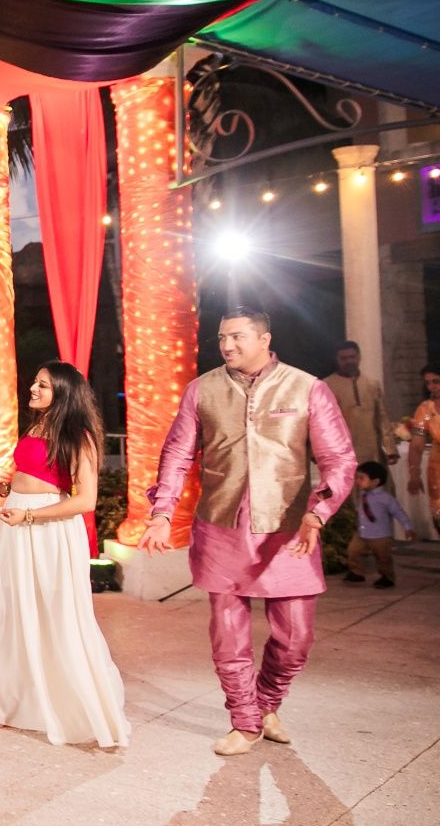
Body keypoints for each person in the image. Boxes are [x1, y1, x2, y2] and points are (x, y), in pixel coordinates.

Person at [144, 307, 355, 757]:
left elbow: (339, 460)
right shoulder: (202, 390)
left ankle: (266, 703)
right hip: (221, 528)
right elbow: (177, 455)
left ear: (265, 339)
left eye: (237, 337)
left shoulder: (307, 388)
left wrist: (317, 513)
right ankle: (244, 720)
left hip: (289, 531)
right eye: (222, 337)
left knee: (296, 637)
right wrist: (162, 512)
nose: (227, 346)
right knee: (228, 633)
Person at [0, 362, 129, 748]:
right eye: (35, 382)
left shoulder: (79, 437)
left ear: (62, 392)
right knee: (6, 609)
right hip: (15, 527)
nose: (33, 388)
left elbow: (84, 500)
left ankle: (59, 704)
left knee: (51, 614)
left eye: (43, 385)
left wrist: (29, 514)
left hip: (48, 532)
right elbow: (31, 475)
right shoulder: (36, 427)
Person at [323, 341, 396, 468]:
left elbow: (382, 418)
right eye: (344, 358)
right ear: (337, 360)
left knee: (377, 485)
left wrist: (390, 449)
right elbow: (321, 423)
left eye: (352, 357)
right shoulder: (326, 386)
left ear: (359, 357)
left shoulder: (372, 384)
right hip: (342, 454)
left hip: (373, 452)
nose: (349, 361)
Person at [345, 461, 408, 590]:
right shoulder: (362, 495)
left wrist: (407, 527)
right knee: (353, 551)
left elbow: (398, 512)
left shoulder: (386, 498)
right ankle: (357, 573)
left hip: (381, 535)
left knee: (383, 557)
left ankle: (387, 577)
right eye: (357, 478)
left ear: (375, 481)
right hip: (362, 533)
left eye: (361, 478)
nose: (357, 481)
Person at [408, 363, 440, 525]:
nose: (432, 386)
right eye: (428, 383)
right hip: (437, 468)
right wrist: (414, 474)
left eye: (436, 381)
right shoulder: (425, 409)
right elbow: (416, 445)